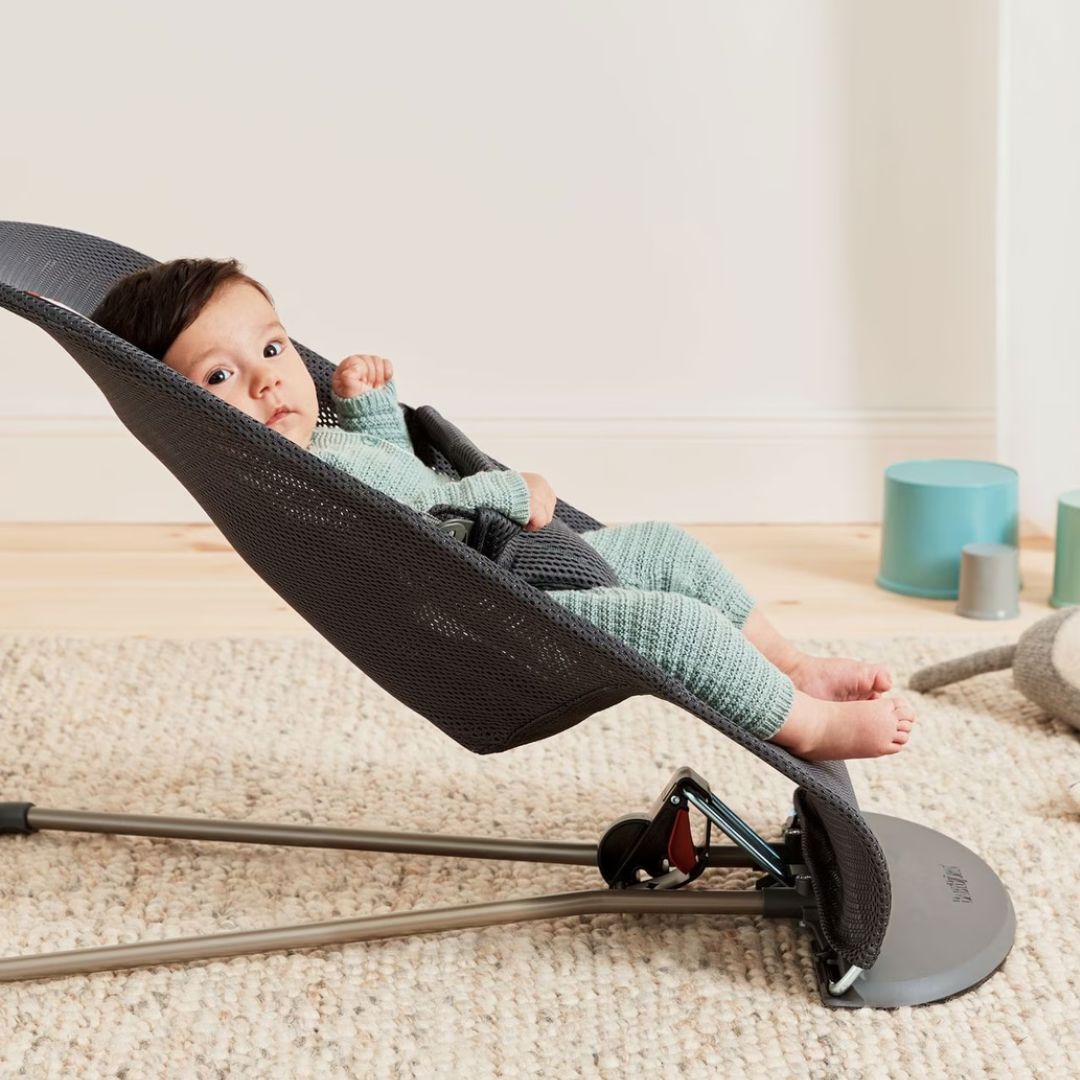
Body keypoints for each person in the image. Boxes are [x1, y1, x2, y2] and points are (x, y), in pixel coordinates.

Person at [90, 258, 916, 761]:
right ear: (184, 409)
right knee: (676, 625)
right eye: (220, 376)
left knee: (666, 547)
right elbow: (422, 527)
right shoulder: (293, 483)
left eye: (271, 348)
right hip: (498, 609)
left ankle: (792, 666)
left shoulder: (313, 446)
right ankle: (806, 724)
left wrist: (371, 408)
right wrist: (503, 491)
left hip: (521, 569)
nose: (269, 377)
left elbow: (398, 474)